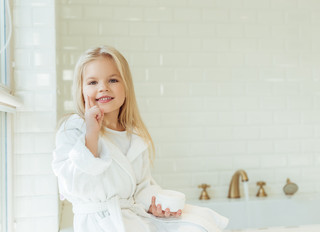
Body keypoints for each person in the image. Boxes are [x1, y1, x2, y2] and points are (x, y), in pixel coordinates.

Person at [52, 45, 229, 232]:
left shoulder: (133, 134)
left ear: (126, 87)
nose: (103, 88)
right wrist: (91, 133)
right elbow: (71, 185)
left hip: (133, 219)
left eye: (112, 80)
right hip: (98, 223)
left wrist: (154, 204)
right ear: (81, 89)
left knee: (199, 225)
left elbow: (142, 187)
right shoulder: (73, 128)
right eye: (93, 82)